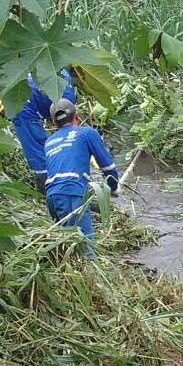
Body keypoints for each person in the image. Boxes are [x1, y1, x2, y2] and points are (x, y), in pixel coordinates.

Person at [44, 98, 119, 256]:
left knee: (66, 244)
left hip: (51, 195)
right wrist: (113, 187)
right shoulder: (87, 133)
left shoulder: (49, 142)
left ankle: (69, 275)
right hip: (72, 193)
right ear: (76, 116)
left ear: (54, 122)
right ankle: (89, 274)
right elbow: (107, 166)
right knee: (84, 247)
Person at [11, 69, 75, 190]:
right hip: (29, 103)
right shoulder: (66, 83)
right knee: (64, 137)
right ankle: (52, 179)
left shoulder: (65, 89)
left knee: (38, 144)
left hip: (30, 97)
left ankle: (48, 179)